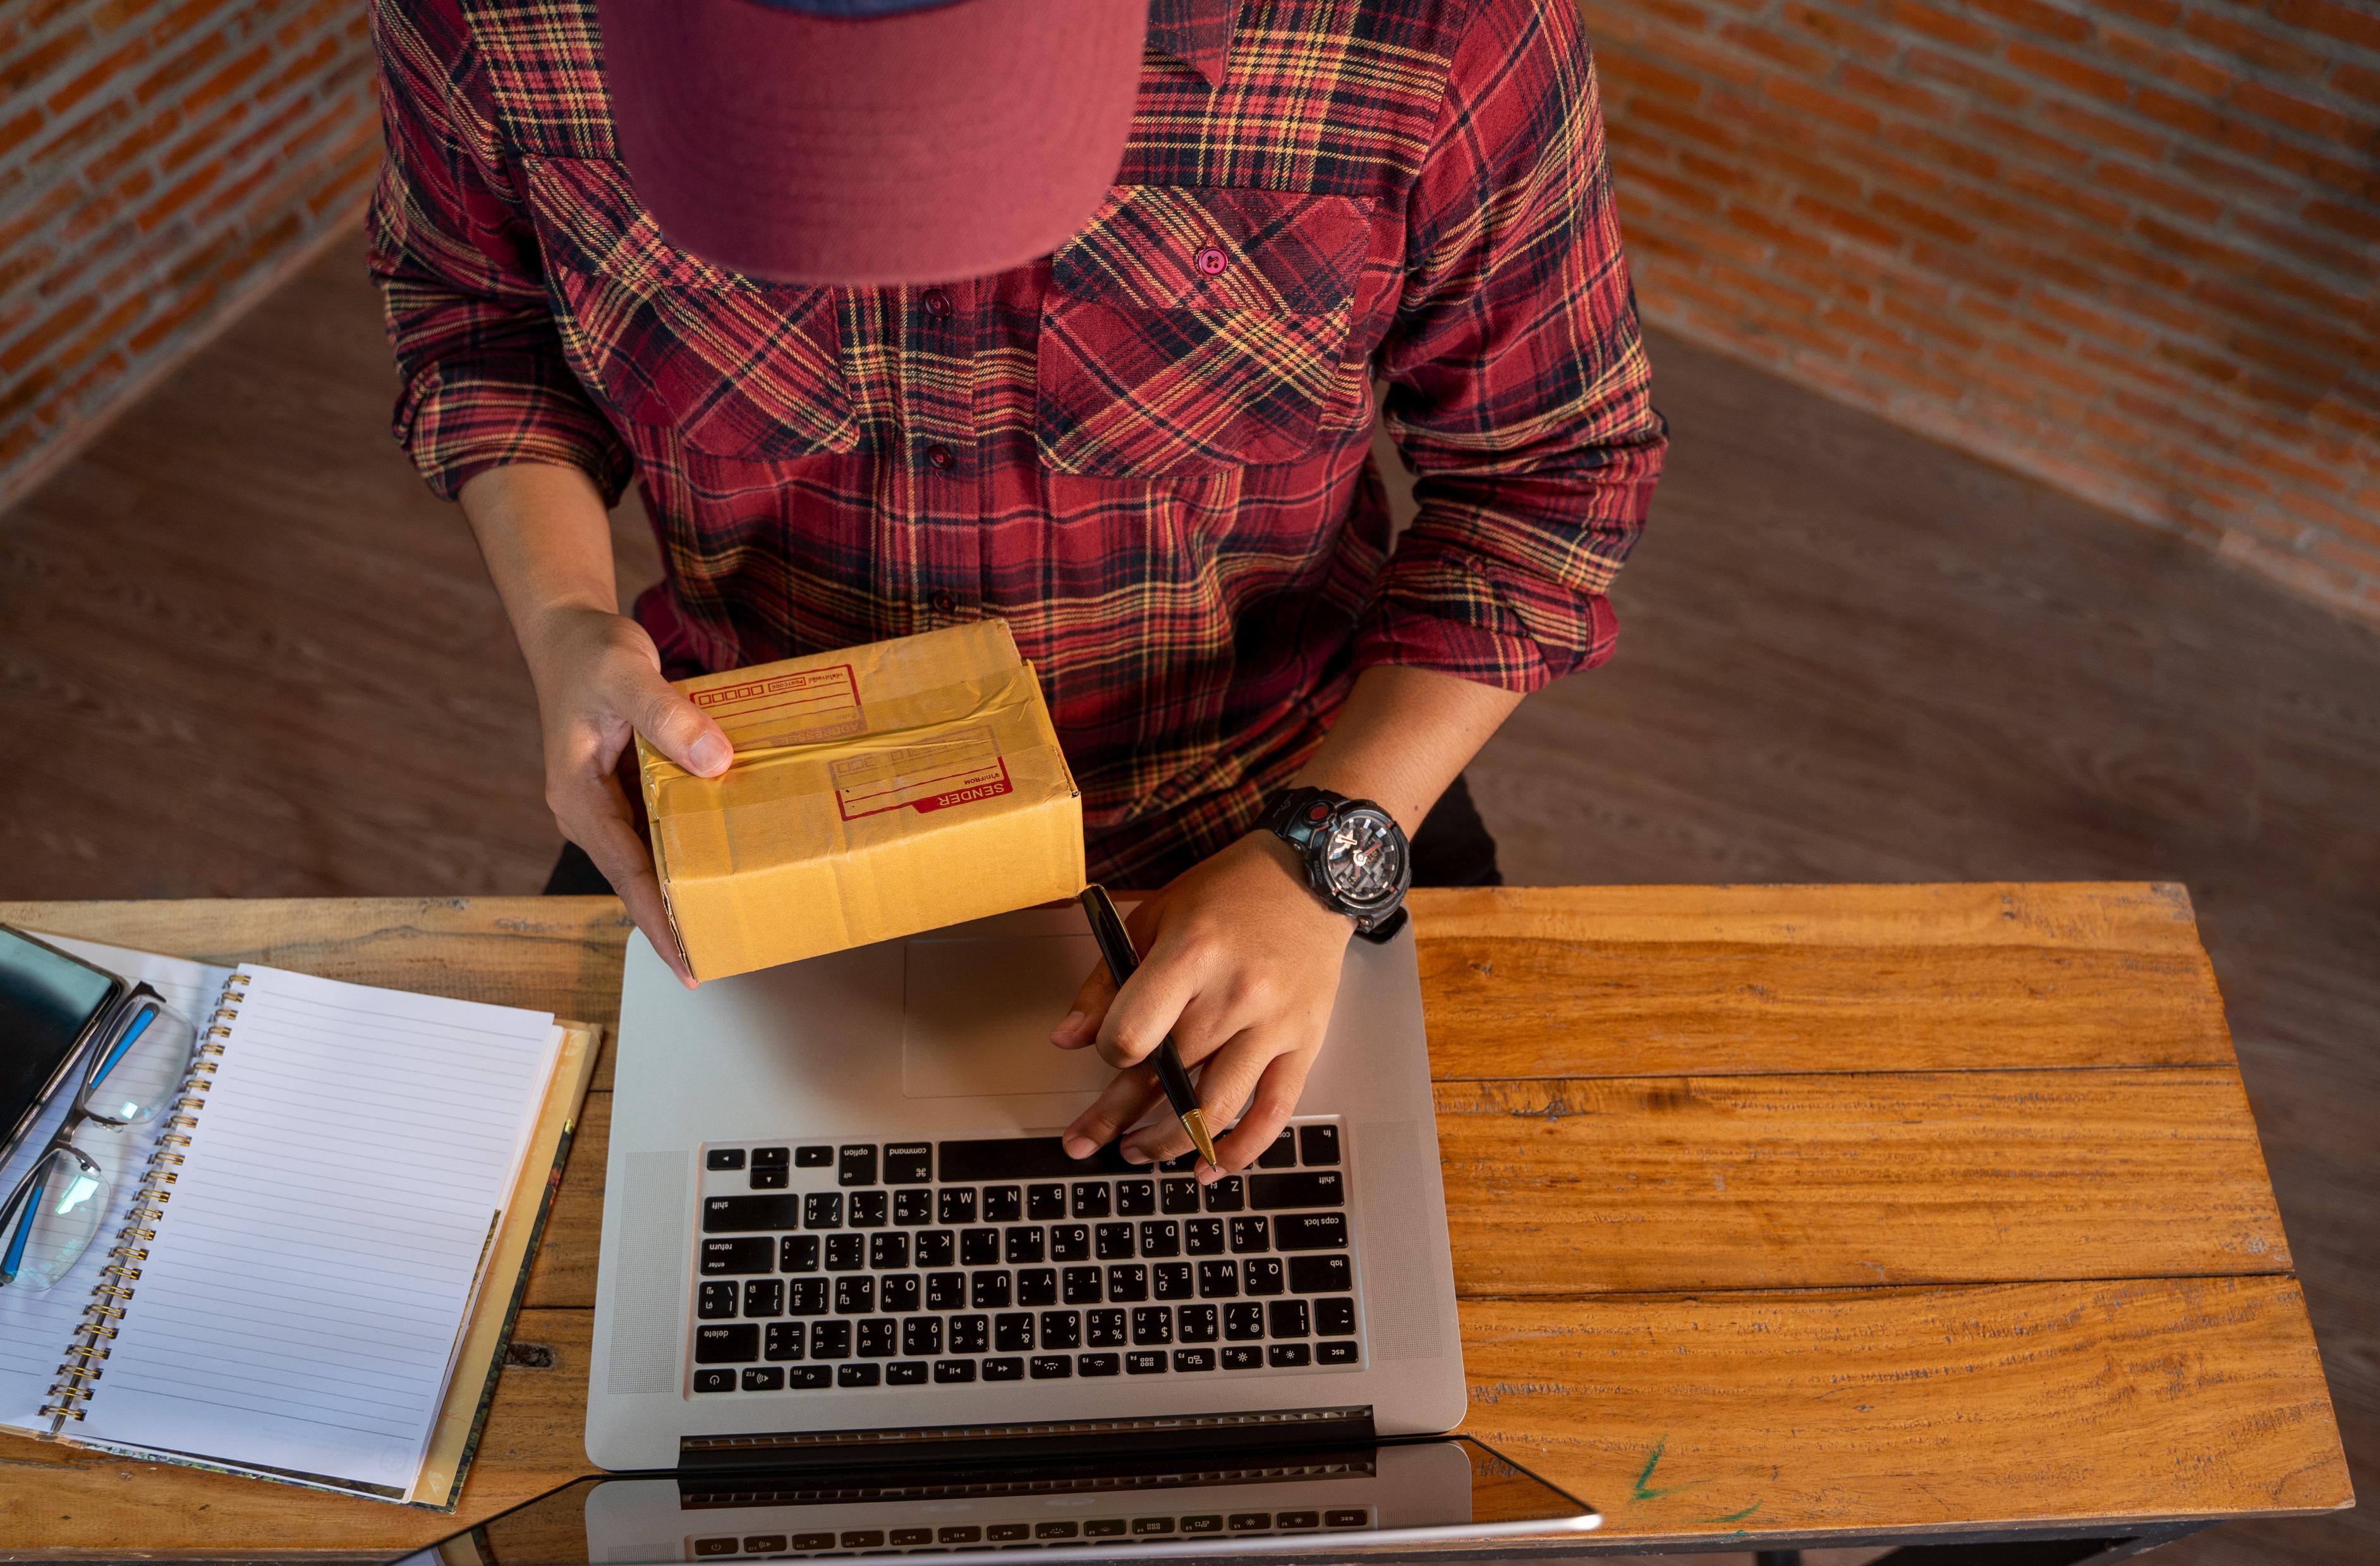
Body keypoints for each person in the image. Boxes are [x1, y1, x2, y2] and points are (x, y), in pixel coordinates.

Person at [369, 0, 1666, 1179]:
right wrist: (560, 627)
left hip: (1272, 811)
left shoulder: (1428, 30)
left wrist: (1328, 855)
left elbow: (1550, 471)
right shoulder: (495, 18)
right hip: (746, 805)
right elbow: (479, 325)